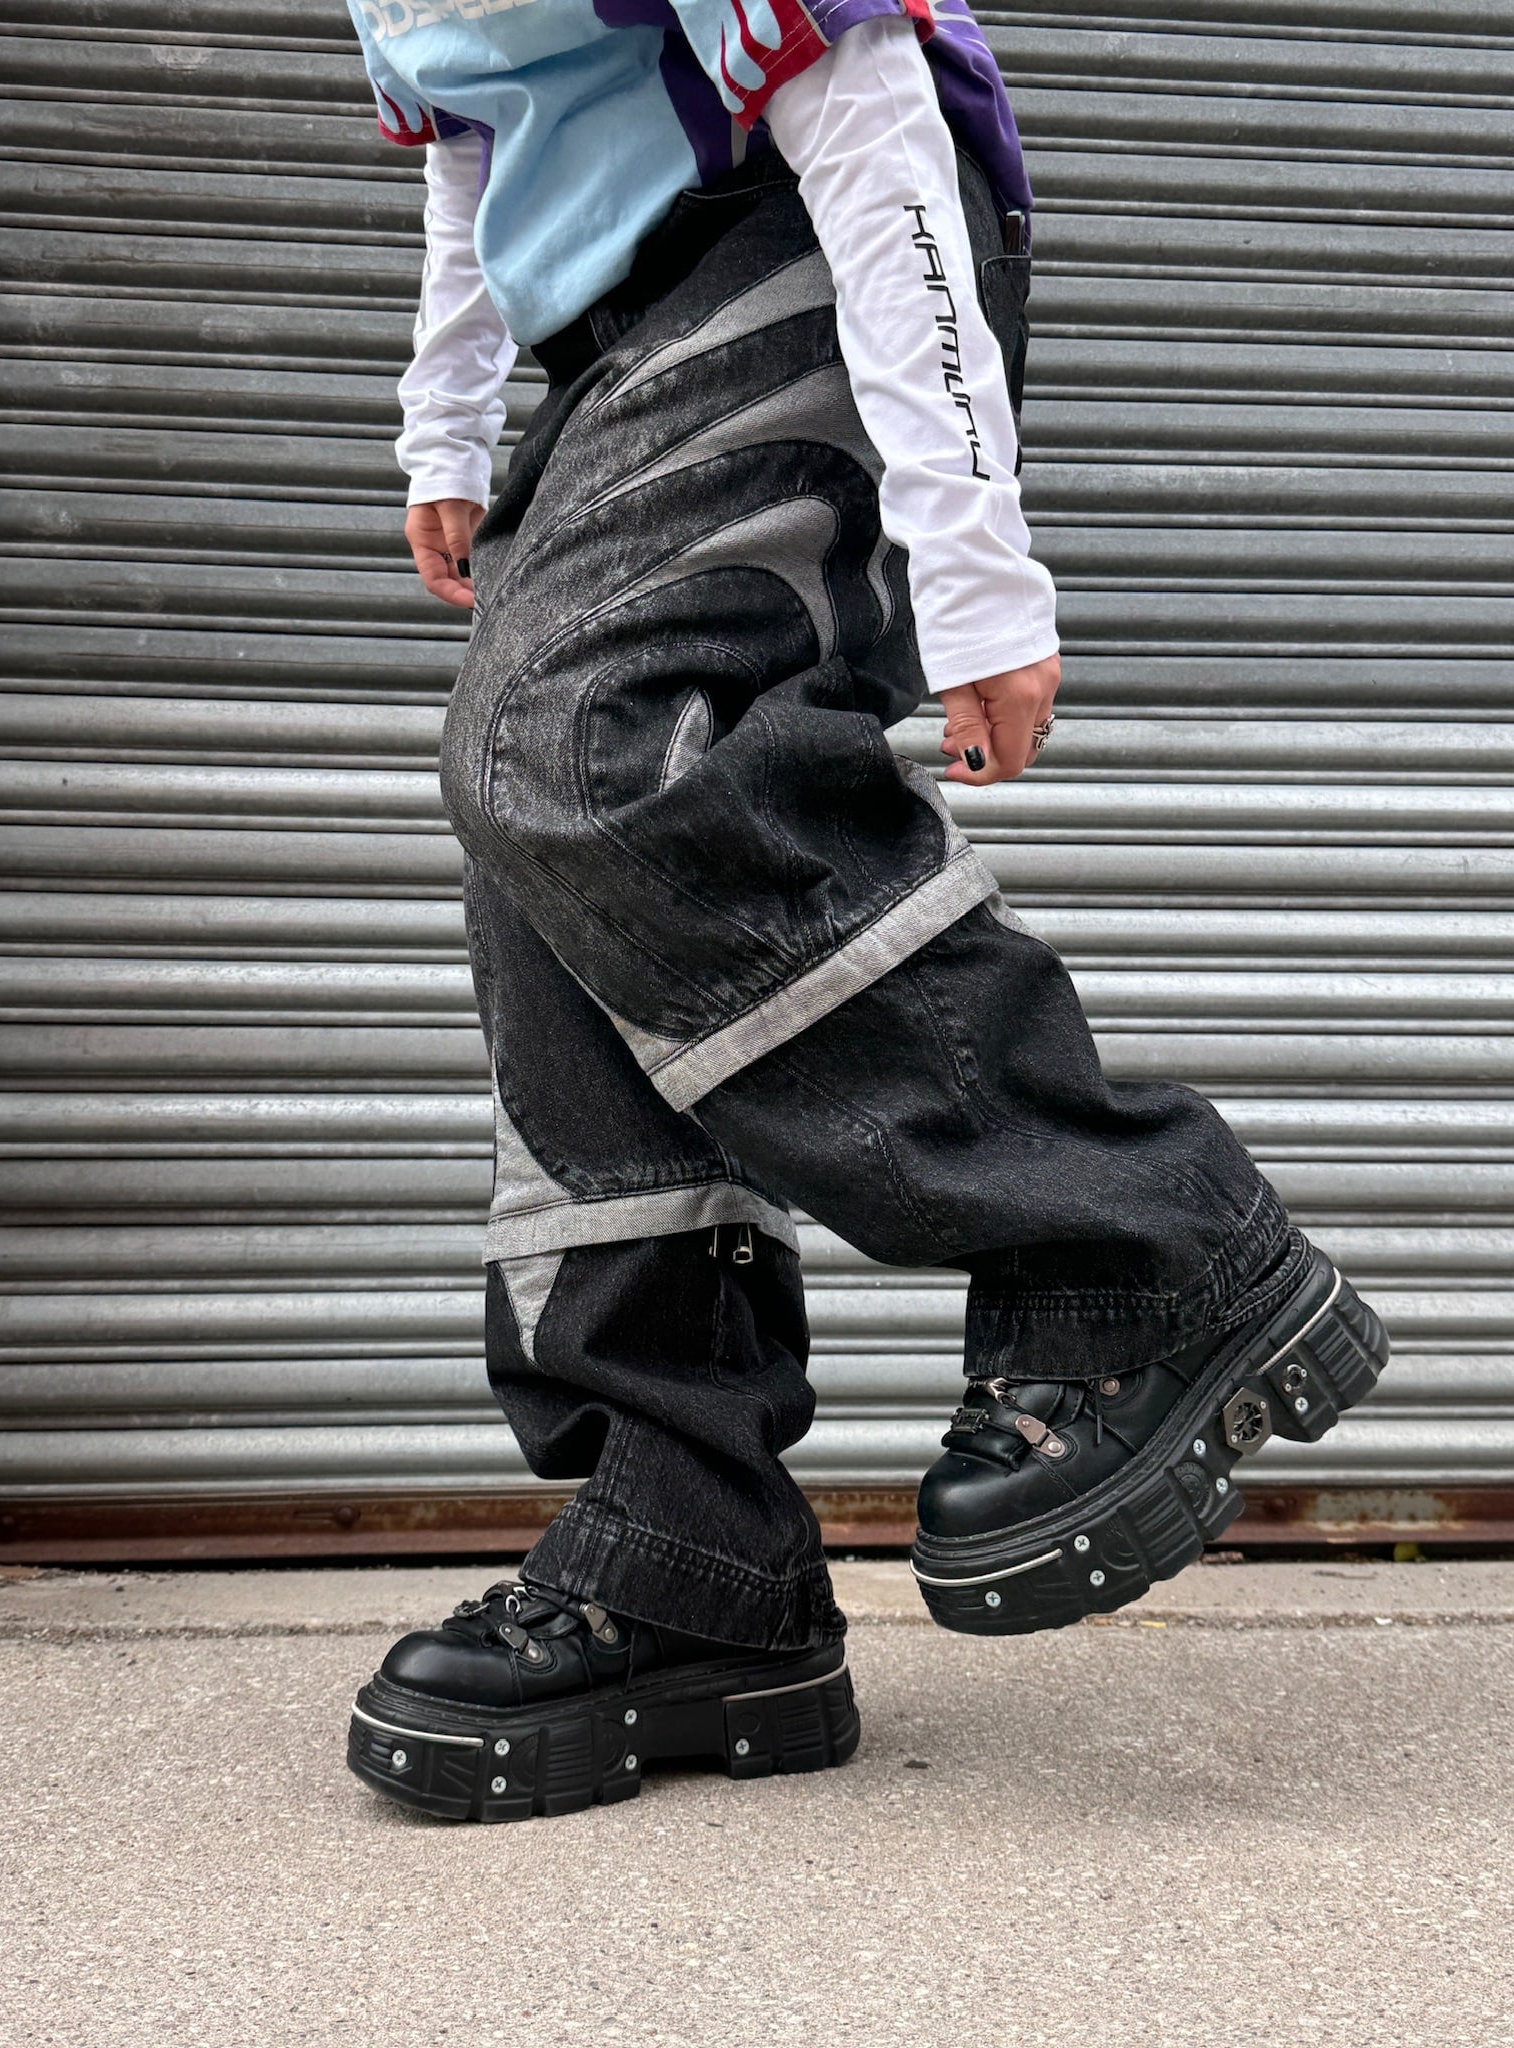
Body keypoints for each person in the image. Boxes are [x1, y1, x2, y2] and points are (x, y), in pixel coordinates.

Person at [341, 0, 1388, 1825]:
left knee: (570, 743)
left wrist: (975, 562)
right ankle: (689, 1551)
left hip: (814, 232)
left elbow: (877, 112)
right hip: (614, 330)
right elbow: (470, 134)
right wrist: (446, 415)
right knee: (536, 824)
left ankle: (1138, 1241)